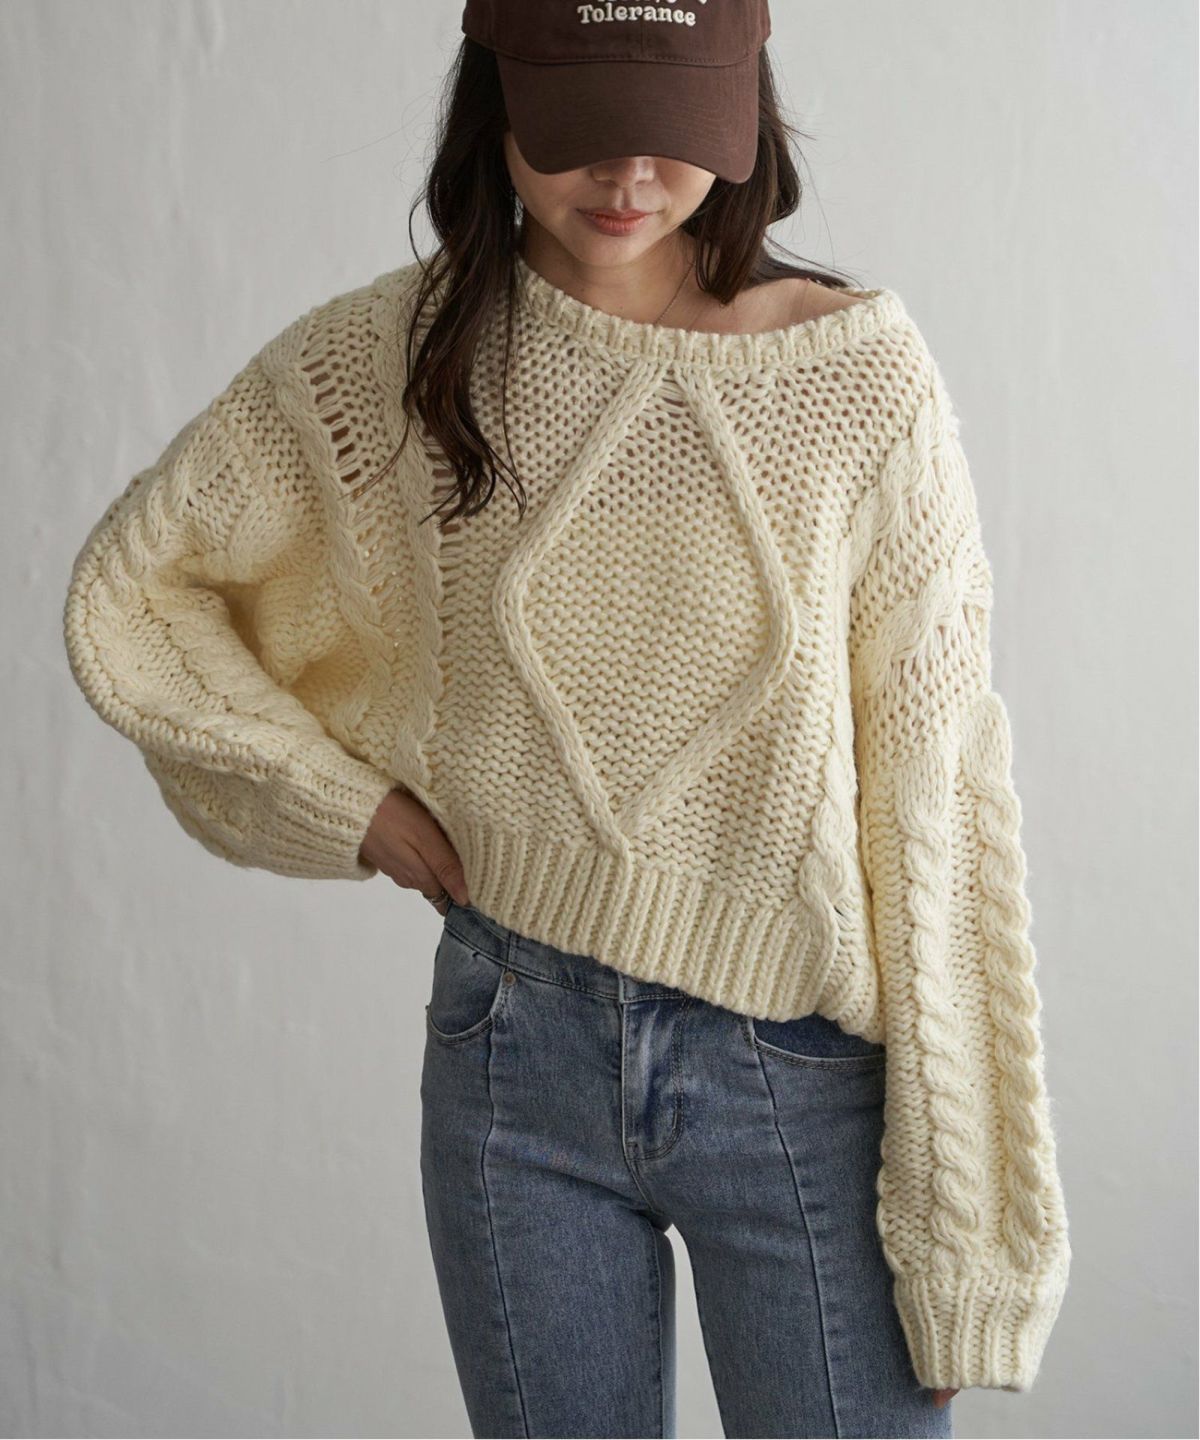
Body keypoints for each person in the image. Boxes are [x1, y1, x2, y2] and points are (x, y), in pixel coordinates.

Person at [62, 1, 1071, 1435]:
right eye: (586, 126)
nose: (630, 176)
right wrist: (341, 802)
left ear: (743, 111)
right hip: (511, 1051)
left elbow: (940, 799)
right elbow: (136, 592)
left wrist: (967, 1232)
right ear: (499, 100)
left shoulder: (858, 382)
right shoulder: (397, 359)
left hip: (797, 1084)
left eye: (674, 131)